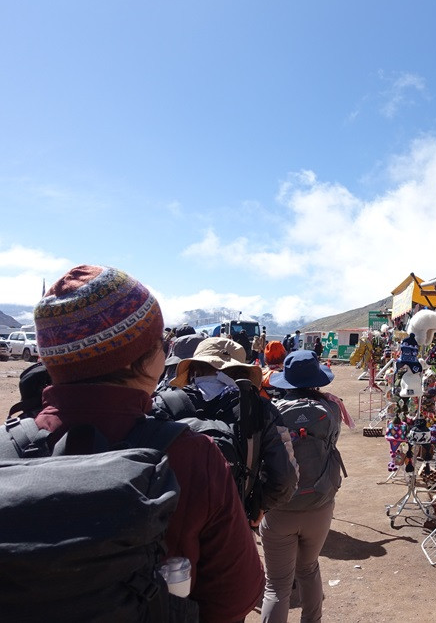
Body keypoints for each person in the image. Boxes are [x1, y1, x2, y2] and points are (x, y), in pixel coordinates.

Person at [29, 265, 264, 622]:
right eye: (160, 344)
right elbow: (237, 595)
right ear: (139, 358)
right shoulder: (191, 456)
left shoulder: (9, 451)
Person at [158, 337, 300, 526]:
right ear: (241, 370)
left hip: (171, 525)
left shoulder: (164, 404)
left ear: (193, 368)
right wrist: (260, 504)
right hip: (233, 521)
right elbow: (286, 477)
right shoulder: (260, 408)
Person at [260, 350, 353, 623]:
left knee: (277, 584)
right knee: (309, 568)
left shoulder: (272, 411)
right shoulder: (331, 408)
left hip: (279, 507)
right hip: (319, 503)